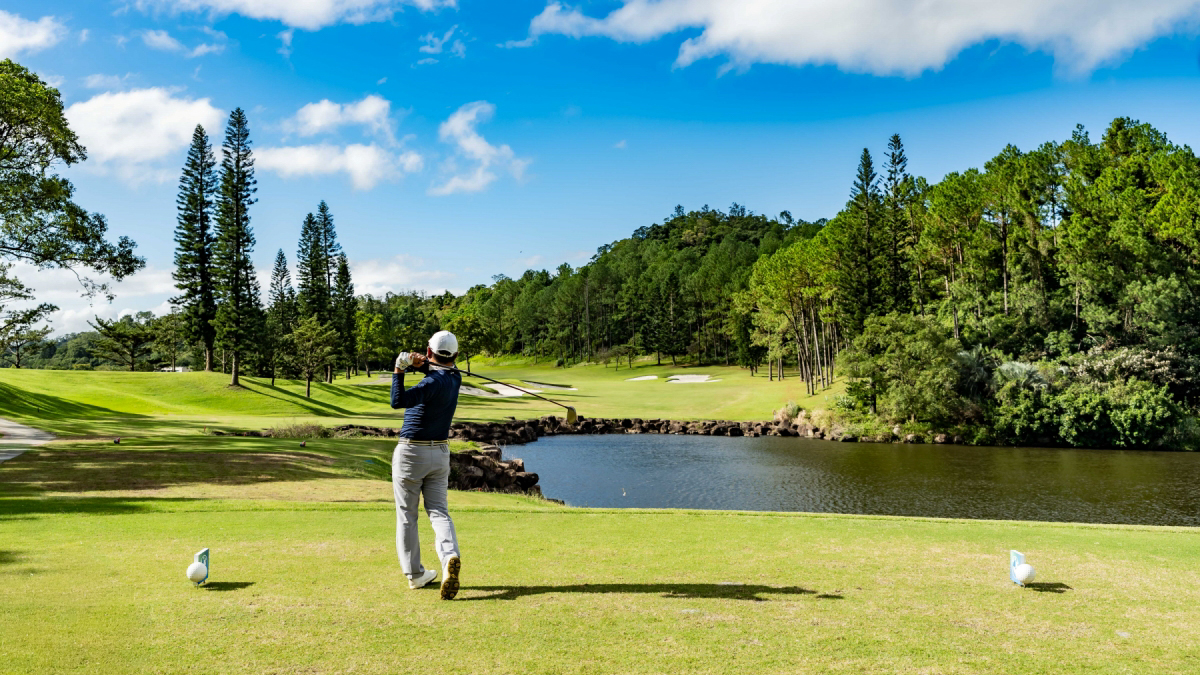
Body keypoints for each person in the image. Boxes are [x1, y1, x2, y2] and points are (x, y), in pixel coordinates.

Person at [390, 329, 463, 600]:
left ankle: (416, 575)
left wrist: (399, 369)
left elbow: (398, 401)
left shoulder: (431, 383)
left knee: (407, 515)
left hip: (411, 454)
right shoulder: (454, 378)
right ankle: (449, 558)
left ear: (429, 352)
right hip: (440, 452)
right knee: (439, 511)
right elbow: (437, 376)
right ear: (456, 356)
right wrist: (421, 366)